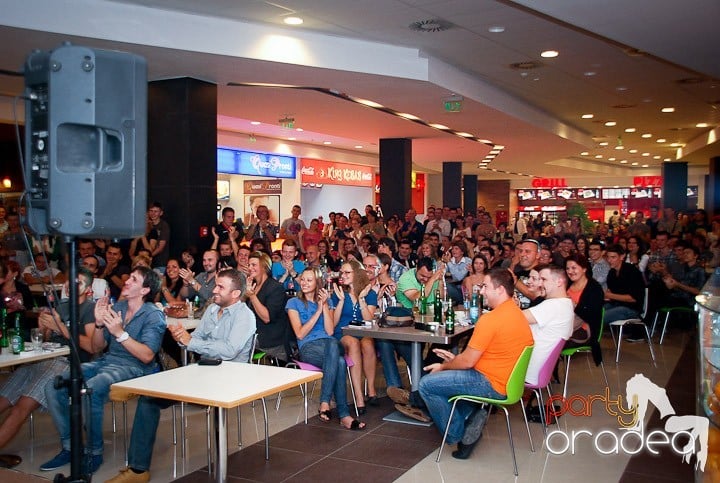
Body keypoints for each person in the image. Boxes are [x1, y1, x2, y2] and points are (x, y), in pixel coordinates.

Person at [106, 268, 256, 483]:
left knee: (157, 386)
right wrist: (181, 336)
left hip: (231, 378)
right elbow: (197, 338)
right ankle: (138, 471)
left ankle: (139, 384)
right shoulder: (213, 309)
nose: (213, 290)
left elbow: (230, 350)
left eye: (220, 287)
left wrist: (191, 341)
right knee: (149, 398)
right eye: (216, 285)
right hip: (203, 371)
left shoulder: (245, 316)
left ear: (235, 294)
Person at [41, 267, 166, 474]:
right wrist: (99, 324)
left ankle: (94, 452)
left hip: (136, 368)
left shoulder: (153, 315)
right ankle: (71, 447)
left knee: (92, 387)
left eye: (133, 279)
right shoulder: (119, 306)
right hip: (107, 361)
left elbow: (146, 356)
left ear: (145, 290)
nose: (126, 281)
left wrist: (120, 333)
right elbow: (97, 347)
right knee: (56, 384)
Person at [418, 268, 534, 459]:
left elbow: (467, 362)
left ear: (500, 290)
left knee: (427, 384)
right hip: (505, 380)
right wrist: (455, 360)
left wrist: (444, 366)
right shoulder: (517, 314)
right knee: (445, 378)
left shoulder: (490, 319)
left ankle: (459, 434)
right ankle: (468, 416)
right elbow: (477, 357)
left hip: (490, 382)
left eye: (485, 286)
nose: (480, 291)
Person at [0, 269, 96, 451]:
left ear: (88, 288)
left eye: (78, 282)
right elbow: (46, 339)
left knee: (21, 407)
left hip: (67, 362)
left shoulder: (90, 309)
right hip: (42, 357)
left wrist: (60, 328)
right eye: (69, 281)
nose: (71, 285)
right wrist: (44, 328)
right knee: (4, 397)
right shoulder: (61, 306)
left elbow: (91, 346)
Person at [286, 267, 366, 430]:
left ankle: (325, 401)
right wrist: (317, 312)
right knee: (340, 362)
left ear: (317, 283)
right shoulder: (293, 302)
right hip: (309, 347)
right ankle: (344, 415)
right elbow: (300, 334)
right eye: (303, 279)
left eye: (309, 280)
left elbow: (330, 331)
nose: (304, 283)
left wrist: (323, 305)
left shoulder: (326, 301)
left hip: (330, 344)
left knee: (331, 343)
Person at [330, 259, 378, 414]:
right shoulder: (338, 293)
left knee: (368, 344)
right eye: (341, 272)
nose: (342, 275)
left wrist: (362, 299)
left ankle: (371, 388)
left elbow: (369, 320)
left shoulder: (369, 293)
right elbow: (333, 323)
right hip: (343, 332)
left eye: (347, 272)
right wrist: (341, 301)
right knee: (353, 343)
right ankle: (358, 396)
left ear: (357, 274)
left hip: (363, 331)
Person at [521, 265, 574, 386]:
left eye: (544, 280)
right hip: (535, 371)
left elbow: (513, 318)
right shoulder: (565, 303)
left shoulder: (554, 305)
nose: (540, 284)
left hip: (524, 372)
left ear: (559, 282)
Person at [246, 251, 294, 362]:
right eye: (249, 265)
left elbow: (267, 317)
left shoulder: (275, 287)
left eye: (254, 265)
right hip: (253, 336)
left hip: (269, 342)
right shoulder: (252, 286)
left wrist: (252, 296)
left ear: (264, 267)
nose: (250, 268)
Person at [564, 255, 604, 363]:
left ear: (584, 269)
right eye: (567, 268)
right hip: (565, 325)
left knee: (552, 345)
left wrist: (574, 305)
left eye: (574, 268)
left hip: (584, 330)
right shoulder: (567, 285)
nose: (570, 271)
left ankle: (549, 374)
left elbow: (592, 315)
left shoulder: (594, 288)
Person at [603, 244, 645, 325]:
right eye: (608, 257)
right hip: (616, 304)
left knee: (600, 316)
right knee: (593, 312)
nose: (609, 260)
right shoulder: (612, 272)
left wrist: (609, 295)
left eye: (613, 257)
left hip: (632, 308)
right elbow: (610, 293)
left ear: (622, 257)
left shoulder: (632, 271)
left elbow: (633, 298)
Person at [147, 202, 170, 271]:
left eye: (156, 211)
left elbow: (160, 248)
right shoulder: (145, 225)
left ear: (161, 213)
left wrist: (148, 257)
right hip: (145, 262)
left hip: (159, 263)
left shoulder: (164, 226)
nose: (153, 213)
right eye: (151, 211)